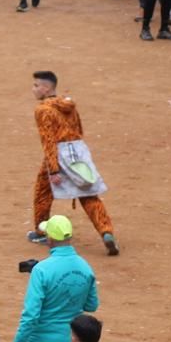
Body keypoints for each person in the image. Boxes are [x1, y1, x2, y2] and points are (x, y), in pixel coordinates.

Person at [29, 71, 118, 256]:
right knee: (89, 194)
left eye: (36, 86)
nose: (33, 89)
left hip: (58, 153)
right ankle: (106, 231)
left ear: (46, 88)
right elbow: (79, 128)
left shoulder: (43, 110)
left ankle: (40, 231)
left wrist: (53, 169)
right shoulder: (68, 105)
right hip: (78, 151)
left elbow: (48, 140)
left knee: (43, 192)